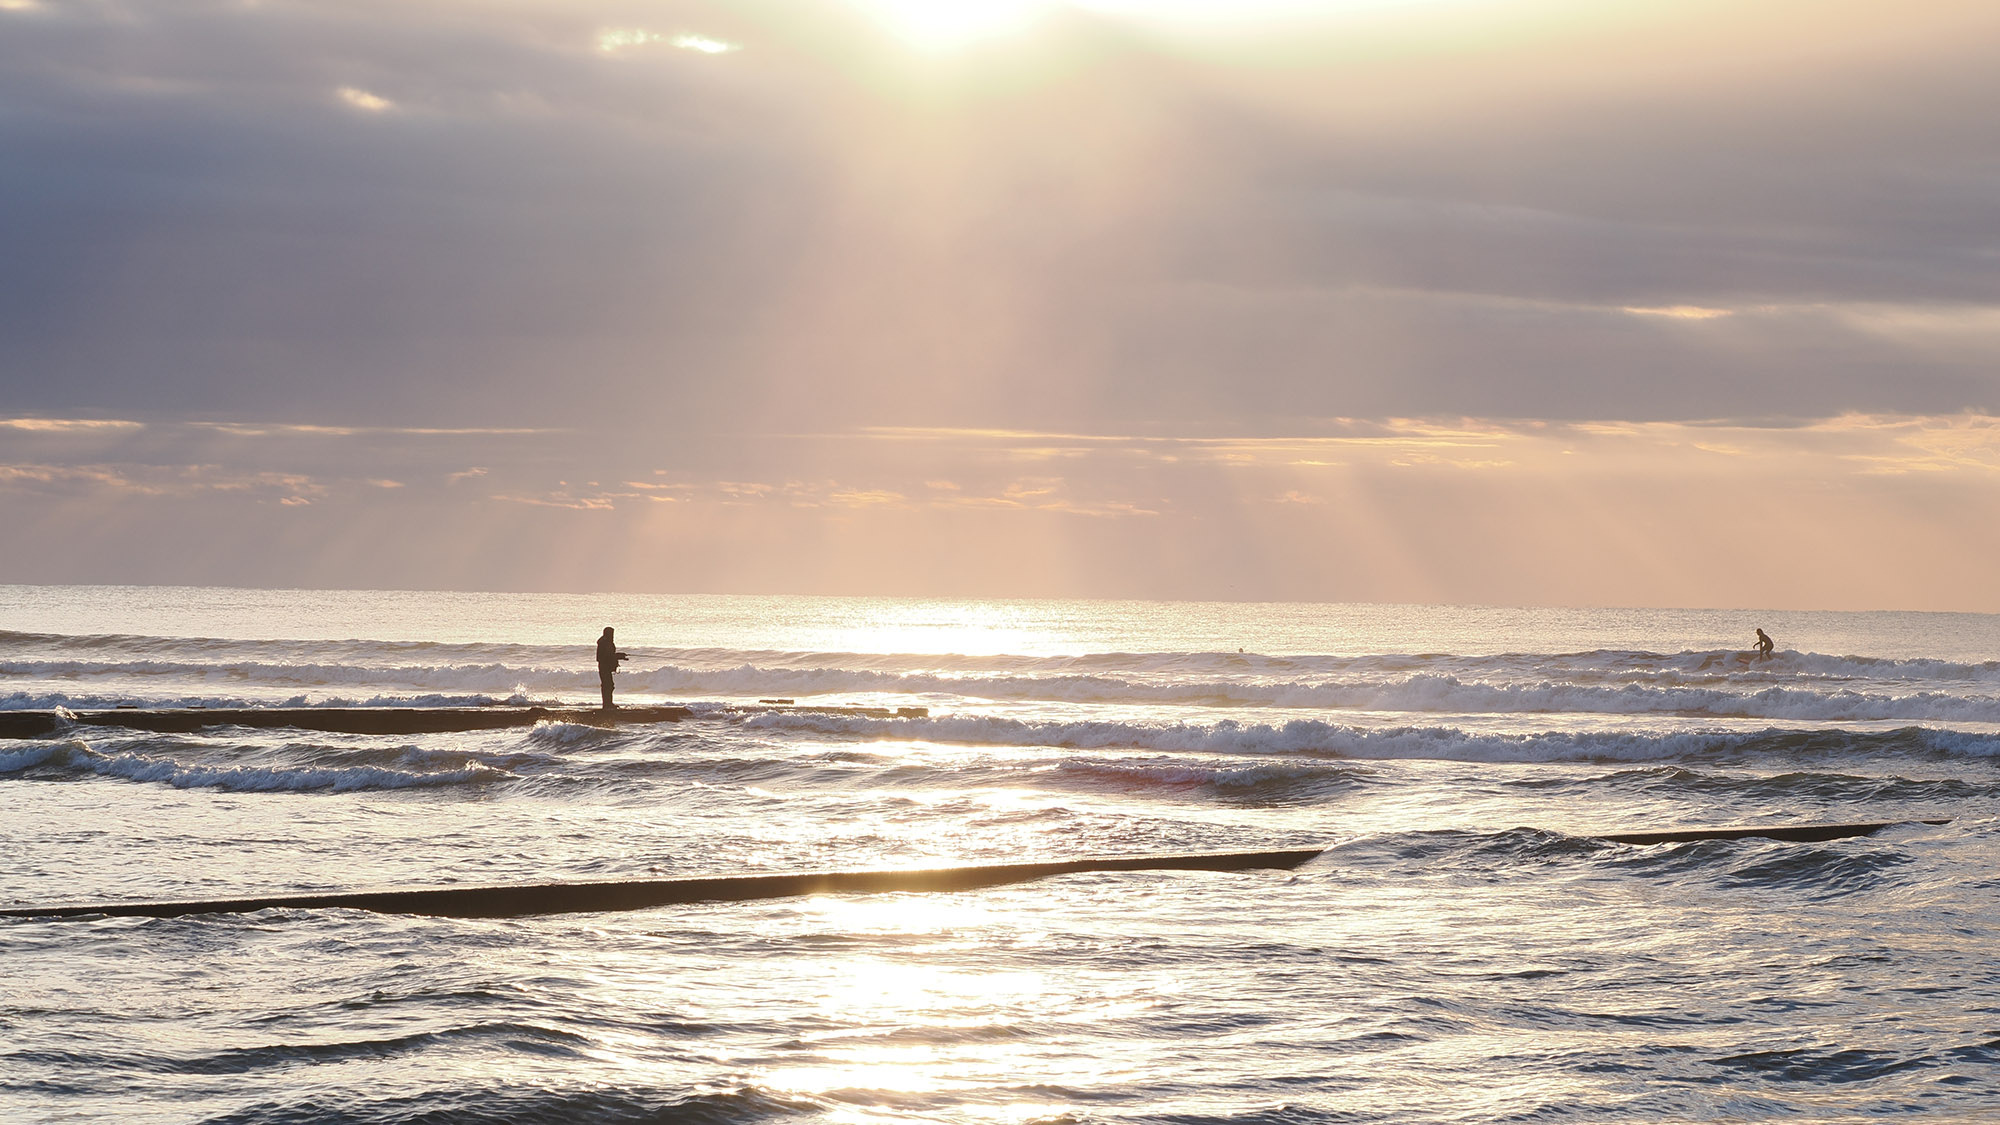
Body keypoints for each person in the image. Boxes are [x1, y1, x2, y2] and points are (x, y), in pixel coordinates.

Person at [596, 626, 629, 710]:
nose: (613, 636)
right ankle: (607, 705)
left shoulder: (606, 642)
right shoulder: (604, 643)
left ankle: (608, 704)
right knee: (608, 685)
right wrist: (619, 656)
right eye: (611, 634)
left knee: (609, 685)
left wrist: (620, 656)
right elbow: (606, 656)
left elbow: (610, 655)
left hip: (605, 667)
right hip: (604, 667)